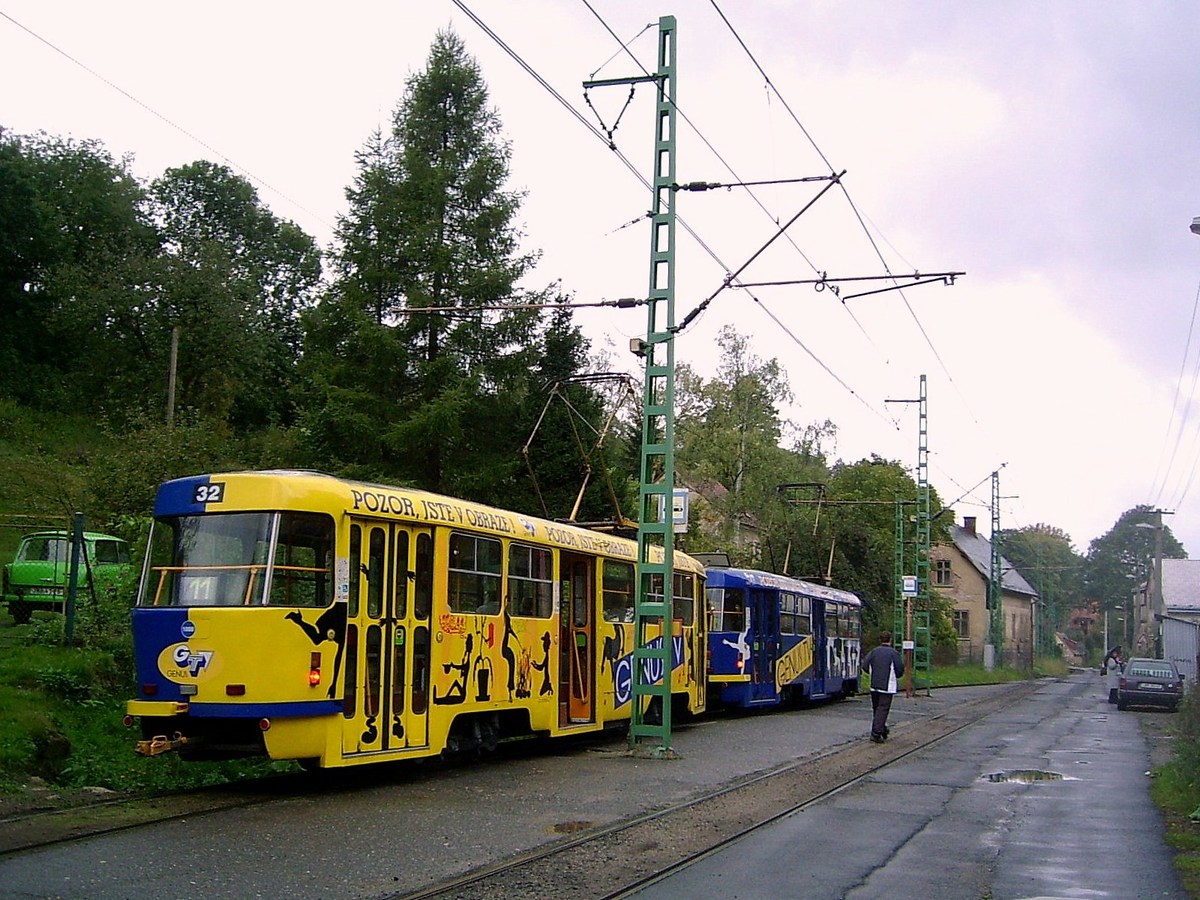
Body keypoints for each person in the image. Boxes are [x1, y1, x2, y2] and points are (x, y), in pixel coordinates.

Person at [862, 630, 905, 743]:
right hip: (888, 686)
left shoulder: (873, 652)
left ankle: (882, 729)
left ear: (880, 640)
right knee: (883, 709)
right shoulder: (893, 653)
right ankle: (876, 733)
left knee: (877, 709)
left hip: (874, 684)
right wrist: (896, 676)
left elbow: (865, 666)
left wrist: (872, 673)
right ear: (890, 640)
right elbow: (899, 669)